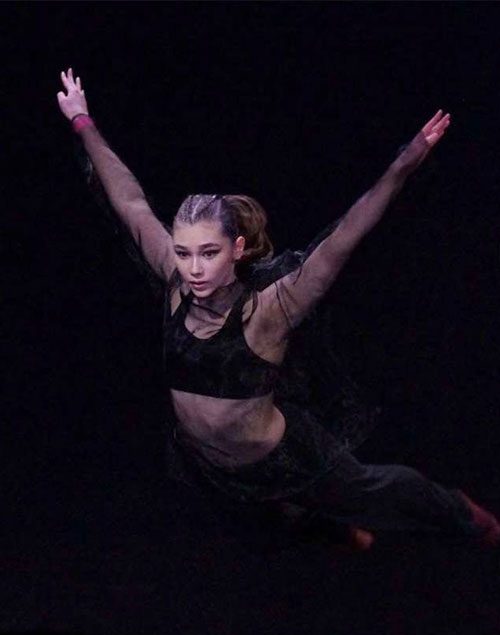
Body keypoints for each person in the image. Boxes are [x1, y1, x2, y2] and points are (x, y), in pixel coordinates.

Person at [57, 68, 500, 552]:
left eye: (209, 253)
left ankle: (459, 512)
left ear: (237, 249)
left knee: (370, 488)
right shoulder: (174, 278)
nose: (193, 269)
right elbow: (129, 201)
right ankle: (339, 535)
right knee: (261, 518)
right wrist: (83, 121)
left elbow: (346, 235)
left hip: (281, 459)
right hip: (206, 462)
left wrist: (404, 164)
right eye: (183, 253)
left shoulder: (269, 308)